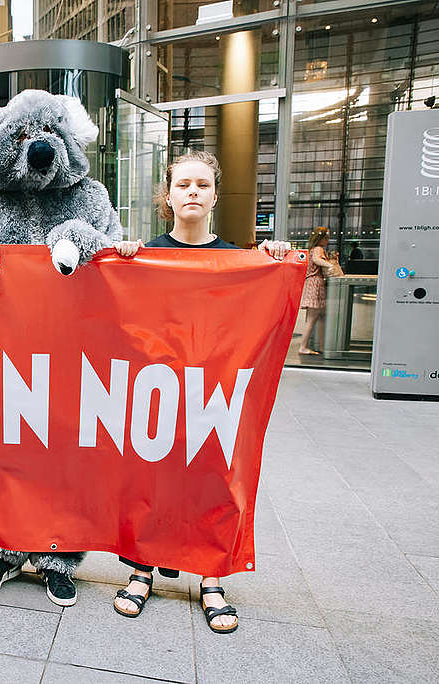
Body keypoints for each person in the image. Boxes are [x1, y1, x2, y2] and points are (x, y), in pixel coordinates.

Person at [111, 150, 292, 634]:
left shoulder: (238, 259)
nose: (192, 192)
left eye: (202, 185)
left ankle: (212, 578)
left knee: (213, 475)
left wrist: (275, 260)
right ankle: (142, 569)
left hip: (214, 390)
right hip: (155, 387)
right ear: (167, 196)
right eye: (183, 184)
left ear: (214, 194)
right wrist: (124, 258)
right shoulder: (145, 253)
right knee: (151, 476)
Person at [296, 227, 336, 356]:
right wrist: (330, 265)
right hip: (316, 284)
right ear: (322, 238)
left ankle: (322, 345)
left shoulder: (312, 249)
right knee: (313, 318)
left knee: (318, 317)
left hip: (312, 283)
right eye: (326, 238)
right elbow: (317, 260)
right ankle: (304, 346)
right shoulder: (318, 249)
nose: (328, 240)